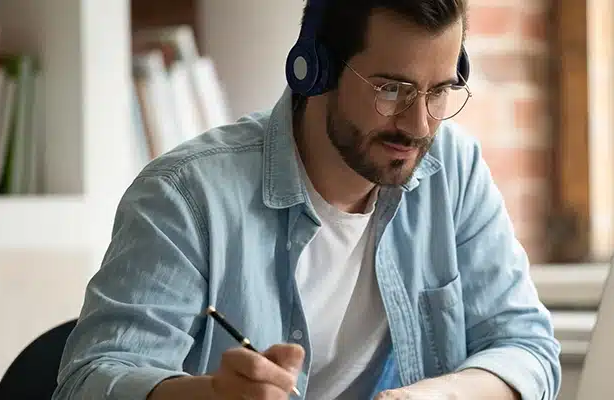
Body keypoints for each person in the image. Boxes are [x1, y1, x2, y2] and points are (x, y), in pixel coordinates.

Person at [52, 0, 562, 399]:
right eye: (391, 89)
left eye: (439, 91)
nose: (419, 124)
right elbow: (89, 382)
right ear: (313, 69)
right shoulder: (186, 195)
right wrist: (208, 395)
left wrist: (440, 394)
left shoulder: (453, 170)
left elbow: (527, 347)